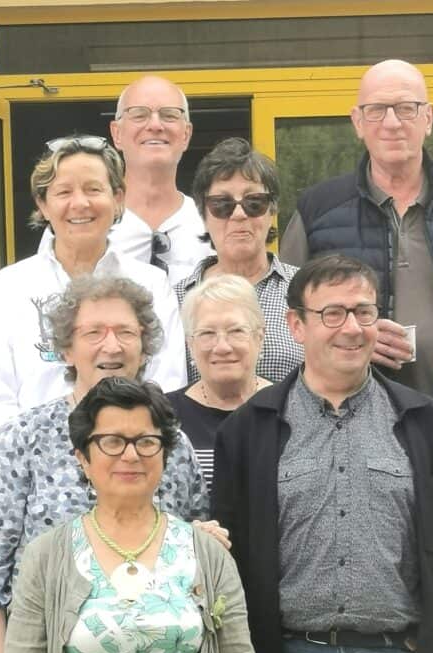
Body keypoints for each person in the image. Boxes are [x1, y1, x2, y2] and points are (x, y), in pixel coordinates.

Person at [213, 254, 433, 653]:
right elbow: (226, 573)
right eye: (332, 314)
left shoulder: (426, 425)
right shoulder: (248, 431)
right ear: (295, 326)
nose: (351, 328)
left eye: (364, 312)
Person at [0, 274, 214, 653]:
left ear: (145, 345)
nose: (111, 346)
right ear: (66, 348)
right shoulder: (20, 441)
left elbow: (197, 563)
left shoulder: (172, 442)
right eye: (93, 332)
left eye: (126, 332)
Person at [0, 377, 268, 653]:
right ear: (82, 457)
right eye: (112, 442)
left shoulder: (207, 554)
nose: (131, 454)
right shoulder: (46, 557)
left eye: (146, 442)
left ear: (165, 453)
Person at [279, 59, 433, 395]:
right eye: (376, 110)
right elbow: (289, 321)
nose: (392, 123)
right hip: (355, 407)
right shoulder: (317, 210)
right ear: (358, 122)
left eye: (406, 108)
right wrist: (350, 340)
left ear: (428, 118)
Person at [0, 134, 186, 444]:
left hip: (129, 462)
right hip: (33, 475)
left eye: (93, 189)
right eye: (64, 191)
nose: (80, 203)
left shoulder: (151, 284)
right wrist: (39, 463)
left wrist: (118, 449)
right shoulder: (9, 287)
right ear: (42, 204)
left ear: (118, 199)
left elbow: (166, 385)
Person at [175, 138, 303, 383]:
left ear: (272, 211)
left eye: (254, 202)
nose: (239, 214)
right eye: (222, 205)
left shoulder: (305, 292)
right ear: (203, 214)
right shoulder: (176, 299)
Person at [167, 275, 270, 491]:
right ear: (190, 345)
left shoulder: (290, 405)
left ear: (259, 338)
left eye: (236, 331)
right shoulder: (163, 415)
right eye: (207, 333)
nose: (222, 346)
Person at [109, 75, 213, 283]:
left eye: (169, 115)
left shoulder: (212, 224)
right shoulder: (87, 222)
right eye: (139, 115)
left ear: (186, 134)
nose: (155, 125)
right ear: (117, 134)